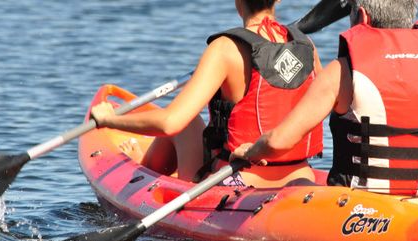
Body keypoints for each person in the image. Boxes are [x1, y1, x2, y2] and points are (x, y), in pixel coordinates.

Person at [230, 0, 418, 195]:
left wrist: (250, 152)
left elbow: (279, 141)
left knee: (294, 187)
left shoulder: (342, 73)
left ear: (361, 16)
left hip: (359, 199)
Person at [91, 0, 323, 187]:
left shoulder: (225, 48)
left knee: (187, 123)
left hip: (238, 180)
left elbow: (170, 123)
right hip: (300, 176)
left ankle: (141, 170)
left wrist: (109, 120)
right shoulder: (306, 46)